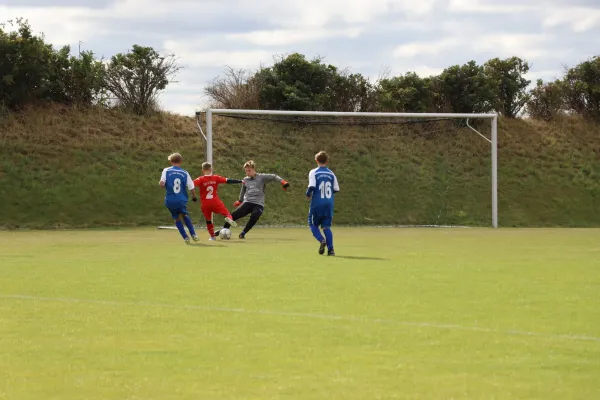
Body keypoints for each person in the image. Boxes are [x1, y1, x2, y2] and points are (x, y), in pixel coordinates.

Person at [215, 160, 289, 239]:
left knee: (255, 216)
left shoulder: (262, 177)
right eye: (246, 171)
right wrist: (240, 200)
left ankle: (243, 233)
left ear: (254, 169)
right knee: (232, 216)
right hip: (247, 202)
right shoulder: (245, 179)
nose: (247, 172)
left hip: (258, 203)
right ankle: (223, 230)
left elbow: (274, 176)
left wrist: (283, 182)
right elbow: (243, 190)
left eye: (249, 170)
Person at [193, 162, 243, 240]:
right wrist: (240, 181)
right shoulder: (216, 178)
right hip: (215, 201)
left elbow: (191, 184)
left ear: (202, 170)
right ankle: (228, 218)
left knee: (208, 220)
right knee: (227, 213)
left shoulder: (200, 179)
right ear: (211, 169)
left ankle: (212, 237)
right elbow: (228, 181)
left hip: (205, 203)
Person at [159, 153, 199, 244]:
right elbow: (191, 187)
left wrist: (167, 186)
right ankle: (193, 234)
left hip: (170, 200)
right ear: (181, 161)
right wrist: (194, 197)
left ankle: (186, 238)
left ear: (170, 161)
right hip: (181, 199)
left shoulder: (166, 170)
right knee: (184, 215)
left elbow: (161, 184)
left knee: (176, 219)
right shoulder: (185, 172)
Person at [306, 151, 340, 256]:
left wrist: (308, 194)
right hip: (329, 203)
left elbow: (311, 186)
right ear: (327, 161)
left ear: (316, 160)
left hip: (317, 203)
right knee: (326, 227)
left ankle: (321, 240)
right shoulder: (331, 173)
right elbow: (336, 189)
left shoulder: (314, 172)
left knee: (312, 224)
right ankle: (331, 250)